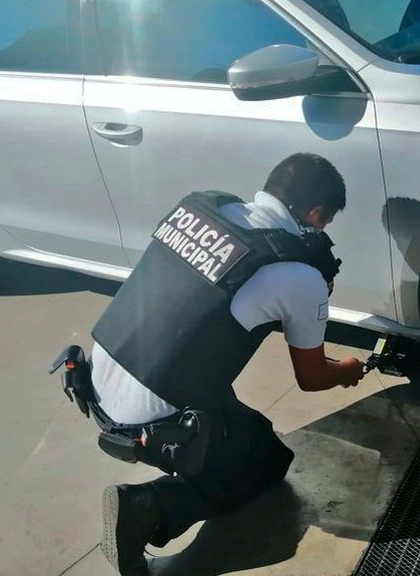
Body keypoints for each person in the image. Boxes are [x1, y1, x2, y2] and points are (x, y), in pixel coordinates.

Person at [82, 153, 366, 575]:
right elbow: (312, 377)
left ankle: (190, 455)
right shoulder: (296, 272)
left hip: (98, 377)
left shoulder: (205, 208)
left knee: (261, 440)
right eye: (324, 224)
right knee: (265, 468)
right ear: (314, 214)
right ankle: (148, 507)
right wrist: (348, 369)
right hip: (155, 412)